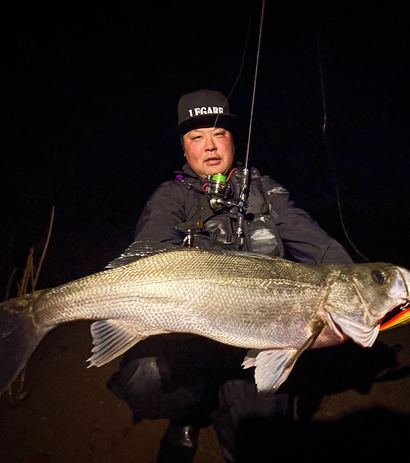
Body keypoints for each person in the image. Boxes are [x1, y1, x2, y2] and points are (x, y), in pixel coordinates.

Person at [107, 89, 353, 462]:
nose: (209, 146)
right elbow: (152, 247)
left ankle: (224, 406)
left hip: (254, 341)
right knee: (145, 382)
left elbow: (313, 242)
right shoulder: (170, 196)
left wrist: (354, 287)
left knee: (261, 438)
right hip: (189, 335)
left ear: (234, 141)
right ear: (184, 148)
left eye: (219, 134)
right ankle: (188, 414)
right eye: (196, 137)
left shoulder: (266, 191)